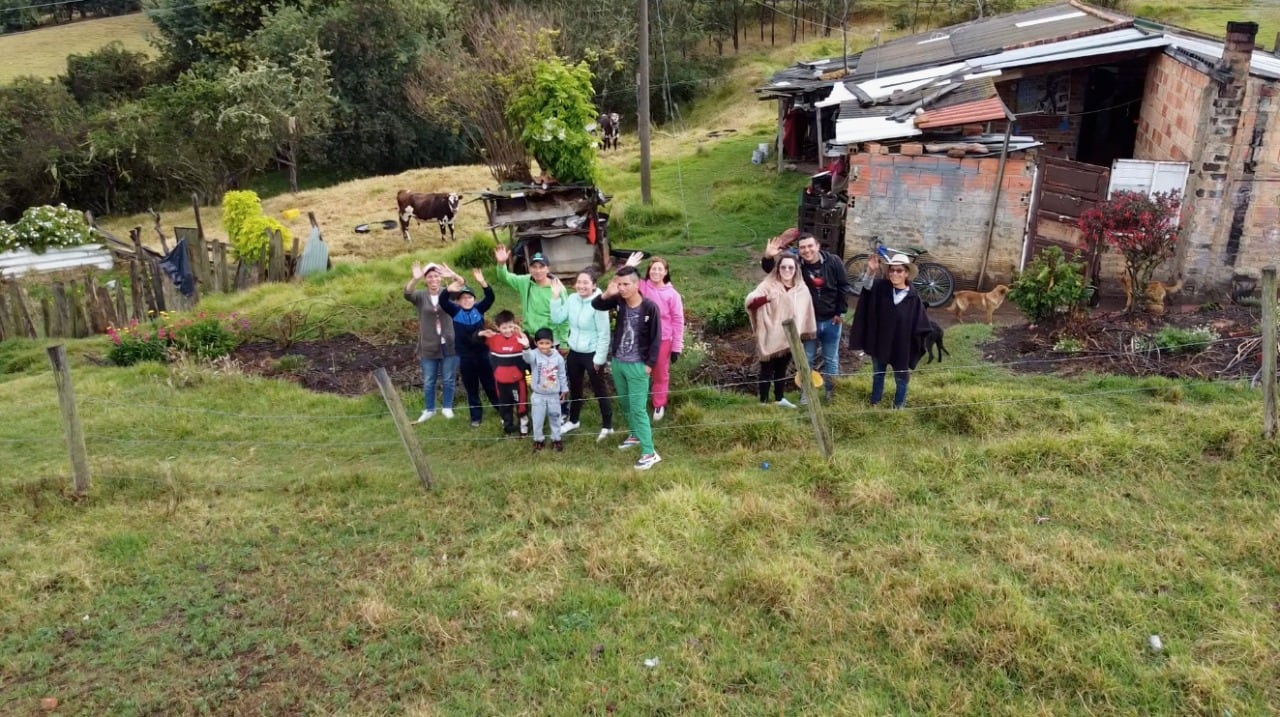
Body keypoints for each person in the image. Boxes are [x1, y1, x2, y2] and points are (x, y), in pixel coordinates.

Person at [761, 229, 851, 403]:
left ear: (817, 246)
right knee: (806, 360)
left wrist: (840, 311)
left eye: (810, 246)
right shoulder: (797, 264)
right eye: (802, 247)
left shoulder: (833, 262)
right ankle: (807, 395)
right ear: (799, 249)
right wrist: (768, 257)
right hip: (808, 323)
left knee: (831, 360)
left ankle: (832, 394)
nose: (807, 250)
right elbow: (771, 271)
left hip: (832, 321)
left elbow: (844, 287)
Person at [592, 266, 663, 471]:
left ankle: (650, 453)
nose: (621, 288)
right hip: (618, 362)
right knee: (624, 404)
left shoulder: (650, 308)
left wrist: (649, 365)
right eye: (619, 284)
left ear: (637, 284)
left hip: (638, 366)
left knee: (638, 409)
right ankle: (635, 435)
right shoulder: (619, 301)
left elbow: (656, 339)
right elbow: (596, 304)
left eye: (625, 284)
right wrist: (607, 292)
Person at [847, 253, 932, 409]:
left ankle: (898, 406)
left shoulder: (913, 298)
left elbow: (921, 325)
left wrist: (916, 343)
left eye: (899, 271)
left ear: (906, 273)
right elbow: (866, 286)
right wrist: (871, 271)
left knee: (901, 378)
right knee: (878, 374)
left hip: (901, 345)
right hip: (881, 342)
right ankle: (875, 402)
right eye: (891, 270)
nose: (894, 274)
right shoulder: (881, 288)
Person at [550, 268, 615, 441]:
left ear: (594, 285)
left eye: (586, 282)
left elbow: (604, 334)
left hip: (592, 354)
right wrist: (555, 297)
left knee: (599, 389)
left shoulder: (599, 303)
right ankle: (573, 420)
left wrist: (599, 359)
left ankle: (607, 425)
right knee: (575, 387)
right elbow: (557, 319)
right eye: (579, 282)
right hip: (575, 352)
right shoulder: (572, 299)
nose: (581, 285)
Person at [745, 253, 816, 408]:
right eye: (783, 267)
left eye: (791, 267)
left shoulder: (802, 289)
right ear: (778, 269)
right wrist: (766, 299)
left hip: (789, 337)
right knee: (766, 370)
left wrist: (801, 332)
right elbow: (750, 303)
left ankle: (779, 399)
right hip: (770, 336)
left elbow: (806, 313)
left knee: (781, 370)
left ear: (796, 269)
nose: (787, 270)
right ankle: (763, 402)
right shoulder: (768, 285)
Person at [625, 253, 684, 421]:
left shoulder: (673, 295)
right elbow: (622, 283)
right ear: (649, 271)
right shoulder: (642, 286)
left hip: (663, 339)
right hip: (640, 336)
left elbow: (678, 321)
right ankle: (638, 402)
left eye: (660, 269)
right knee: (638, 371)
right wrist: (628, 266)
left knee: (660, 372)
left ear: (665, 272)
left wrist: (676, 347)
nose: (656, 272)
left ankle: (659, 403)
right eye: (653, 268)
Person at [440, 268, 499, 428]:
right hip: (465, 357)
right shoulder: (454, 311)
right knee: (471, 388)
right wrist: (448, 289)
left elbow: (490, 297)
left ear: (474, 299)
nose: (466, 300)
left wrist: (482, 282)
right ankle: (476, 417)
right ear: (458, 301)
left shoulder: (479, 309)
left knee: (490, 384)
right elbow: (443, 301)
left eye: (469, 297)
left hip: (482, 355)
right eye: (463, 298)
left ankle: (501, 409)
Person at [404, 261, 458, 422]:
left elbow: (462, 286)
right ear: (425, 279)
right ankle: (429, 409)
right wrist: (414, 279)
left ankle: (447, 407)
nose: (433, 279)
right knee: (429, 380)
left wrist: (453, 275)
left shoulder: (447, 292)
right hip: (428, 344)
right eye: (429, 276)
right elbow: (407, 294)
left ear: (440, 278)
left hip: (449, 343)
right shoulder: (420, 296)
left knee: (448, 378)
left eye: (436, 276)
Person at [493, 246, 569, 346]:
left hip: (550, 340)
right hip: (530, 337)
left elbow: (565, 317)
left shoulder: (558, 288)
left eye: (541, 267)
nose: (538, 271)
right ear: (529, 268)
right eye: (534, 267)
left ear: (548, 269)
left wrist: (564, 343)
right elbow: (505, 277)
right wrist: (501, 264)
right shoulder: (525, 281)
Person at [478, 311, 530, 436]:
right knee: (504, 406)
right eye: (504, 327)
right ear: (497, 327)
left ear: (515, 325)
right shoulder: (493, 339)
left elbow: (530, 357)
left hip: (517, 382)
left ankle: (524, 428)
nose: (508, 330)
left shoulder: (521, 337)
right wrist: (481, 333)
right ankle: (507, 428)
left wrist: (524, 338)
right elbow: (474, 339)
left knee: (521, 407)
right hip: (500, 382)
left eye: (510, 326)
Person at [522, 327, 569, 452]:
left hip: (554, 395)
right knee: (537, 419)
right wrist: (526, 347)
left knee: (555, 417)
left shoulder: (558, 357)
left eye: (547, 343)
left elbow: (562, 374)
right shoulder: (533, 354)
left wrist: (564, 390)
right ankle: (539, 440)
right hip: (538, 395)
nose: (544, 346)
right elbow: (527, 358)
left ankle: (556, 439)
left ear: (552, 343)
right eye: (541, 343)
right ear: (536, 344)